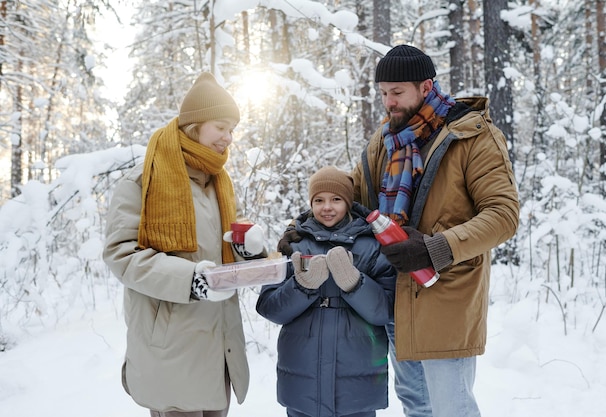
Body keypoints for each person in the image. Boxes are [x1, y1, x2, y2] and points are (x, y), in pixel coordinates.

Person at [279, 45, 520, 417]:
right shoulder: (385, 141)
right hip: (393, 297)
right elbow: (351, 195)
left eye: (397, 92)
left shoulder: (473, 137)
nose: (388, 102)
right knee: (417, 406)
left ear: (426, 87)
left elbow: (503, 215)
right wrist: (302, 224)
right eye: (383, 93)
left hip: (444, 296)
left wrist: (436, 249)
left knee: (449, 407)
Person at [103, 72, 265, 417]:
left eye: (232, 129)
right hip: (172, 344)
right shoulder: (142, 182)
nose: (229, 138)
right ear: (195, 124)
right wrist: (189, 279)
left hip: (219, 344)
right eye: (221, 126)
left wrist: (248, 249)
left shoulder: (218, 183)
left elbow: (218, 251)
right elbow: (121, 255)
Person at [257, 166, 397, 417]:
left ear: (348, 202)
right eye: (319, 200)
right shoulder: (292, 244)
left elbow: (386, 310)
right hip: (303, 381)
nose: (327, 207)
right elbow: (270, 307)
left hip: (357, 384)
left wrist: (355, 283)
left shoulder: (372, 245)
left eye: (336, 199)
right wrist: (301, 287)